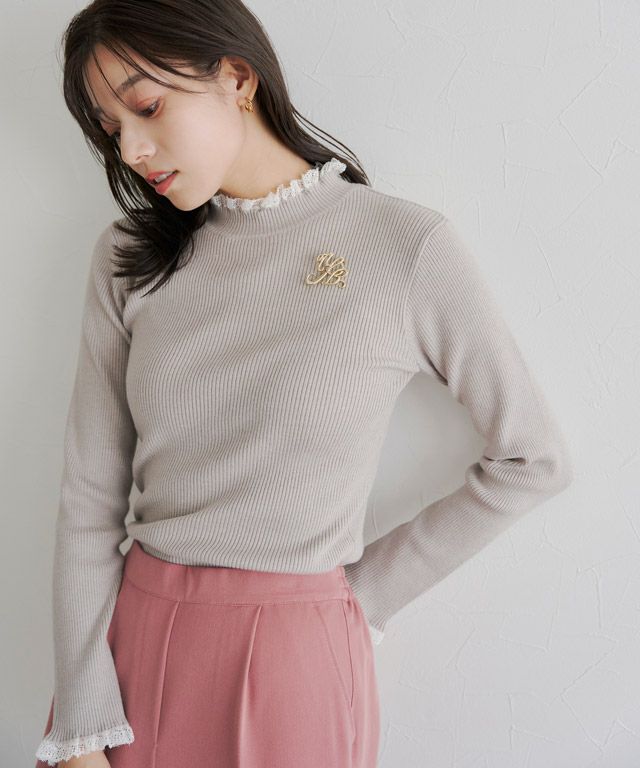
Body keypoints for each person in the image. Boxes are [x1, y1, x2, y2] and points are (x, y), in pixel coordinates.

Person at [34, 1, 573, 766]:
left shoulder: (402, 245)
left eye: (146, 107)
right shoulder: (129, 258)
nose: (132, 149)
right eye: (111, 128)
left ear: (237, 77)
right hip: (132, 654)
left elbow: (533, 459)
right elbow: (89, 501)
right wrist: (81, 725)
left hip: (297, 662)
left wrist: (359, 597)